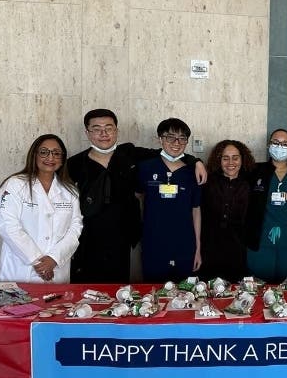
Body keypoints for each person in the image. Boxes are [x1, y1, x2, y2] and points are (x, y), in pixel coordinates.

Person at [66, 109, 204, 283]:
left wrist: (196, 161)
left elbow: (168, 152)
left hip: (125, 240)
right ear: (87, 132)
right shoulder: (75, 164)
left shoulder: (130, 154)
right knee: (88, 288)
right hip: (88, 239)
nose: (103, 134)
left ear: (116, 130)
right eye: (96, 129)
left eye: (109, 128)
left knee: (124, 290)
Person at [0, 134, 83, 283]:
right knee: (17, 306)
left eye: (56, 153)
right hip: (20, 269)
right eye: (44, 152)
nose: (50, 157)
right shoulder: (15, 184)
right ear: (34, 155)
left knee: (56, 306)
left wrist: (54, 258)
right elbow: (8, 226)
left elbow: (75, 227)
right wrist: (37, 261)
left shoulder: (70, 191)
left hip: (56, 270)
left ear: (62, 158)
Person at [135, 117, 203, 283]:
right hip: (154, 243)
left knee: (185, 295)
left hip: (184, 244)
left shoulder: (193, 172)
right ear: (160, 139)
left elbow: (196, 210)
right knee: (153, 295)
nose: (176, 143)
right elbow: (138, 200)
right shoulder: (145, 168)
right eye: (170, 137)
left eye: (182, 139)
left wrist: (198, 248)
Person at [245, 129, 287, 283]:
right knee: (259, 291)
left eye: (285, 144)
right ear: (269, 145)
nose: (280, 147)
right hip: (261, 244)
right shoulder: (255, 172)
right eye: (276, 142)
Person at [199, 139, 255, 281]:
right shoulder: (207, 182)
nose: (231, 163)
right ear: (219, 160)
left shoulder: (250, 184)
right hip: (209, 248)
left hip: (238, 249)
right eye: (225, 158)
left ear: (242, 159)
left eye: (235, 158)